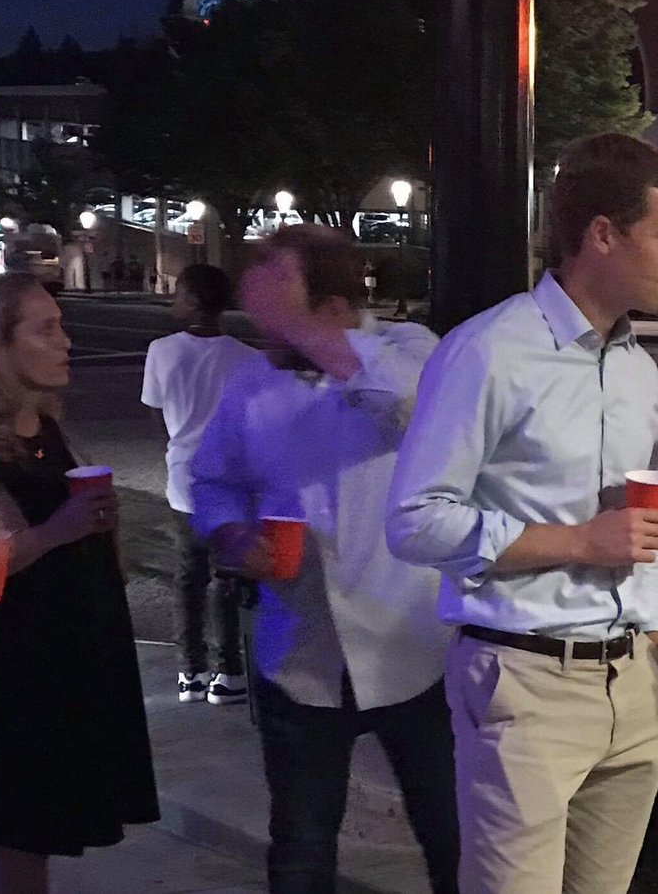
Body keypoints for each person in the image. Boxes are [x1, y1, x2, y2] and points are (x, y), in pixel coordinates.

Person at [387, 132, 658, 894]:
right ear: (602, 235)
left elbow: (631, 527)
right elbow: (415, 519)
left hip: (632, 681)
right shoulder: (489, 350)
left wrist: (651, 630)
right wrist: (581, 540)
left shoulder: (637, 368)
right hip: (526, 679)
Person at [190, 225, 457, 894]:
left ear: (333, 304)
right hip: (301, 652)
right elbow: (211, 479)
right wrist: (229, 534)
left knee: (453, 839)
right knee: (301, 853)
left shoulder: (408, 351)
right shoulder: (251, 384)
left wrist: (309, 334)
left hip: (414, 649)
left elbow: (412, 409)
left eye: (278, 302)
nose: (264, 326)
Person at [0, 273, 159, 893]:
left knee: (38, 837)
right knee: (17, 840)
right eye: (46, 329)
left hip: (59, 662)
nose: (65, 342)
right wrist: (60, 530)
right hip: (10, 676)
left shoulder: (46, 432)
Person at [142, 264, 260, 704]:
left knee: (188, 576)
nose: (173, 301)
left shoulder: (161, 351)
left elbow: (156, 413)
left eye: (178, 293)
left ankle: (190, 671)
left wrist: (176, 448)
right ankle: (229, 671)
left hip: (184, 478)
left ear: (193, 300)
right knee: (226, 579)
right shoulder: (246, 357)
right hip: (230, 483)